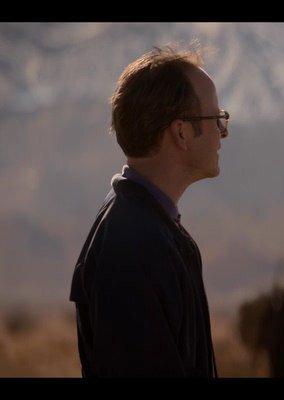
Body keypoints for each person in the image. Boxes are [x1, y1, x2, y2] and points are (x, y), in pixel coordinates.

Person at [69, 45, 229, 377]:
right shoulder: (132, 245)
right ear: (181, 132)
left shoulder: (147, 228)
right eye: (216, 119)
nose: (223, 131)